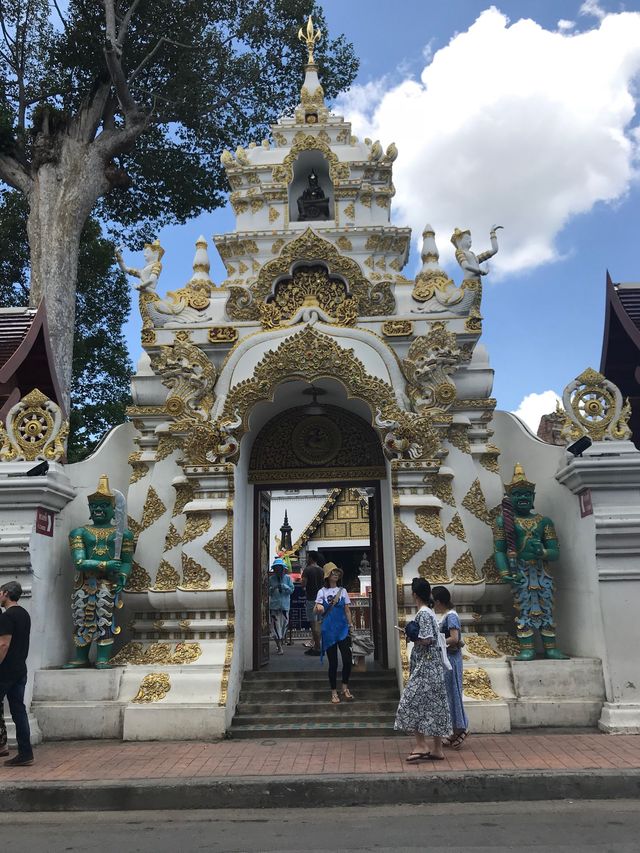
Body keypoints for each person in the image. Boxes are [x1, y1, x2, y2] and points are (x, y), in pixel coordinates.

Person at [64, 475, 134, 669]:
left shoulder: (124, 535)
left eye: (103, 506)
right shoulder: (79, 533)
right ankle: (81, 657)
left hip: (108, 584)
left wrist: (122, 575)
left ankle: (103, 657)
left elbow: (127, 562)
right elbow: (79, 561)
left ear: (113, 510)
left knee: (105, 620)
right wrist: (106, 565)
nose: (98, 510)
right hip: (85, 584)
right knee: (82, 618)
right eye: (95, 507)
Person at [394, 577, 452, 762]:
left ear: (415, 595)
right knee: (435, 705)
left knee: (410, 702)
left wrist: (410, 635)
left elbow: (427, 639)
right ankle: (437, 748)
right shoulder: (430, 612)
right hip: (433, 665)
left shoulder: (424, 613)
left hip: (426, 666)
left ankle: (421, 744)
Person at [0, 581, 34, 767]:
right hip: (20, 668)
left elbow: (3, 644)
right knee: (18, 711)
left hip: (5, 670)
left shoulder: (7, 617)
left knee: (17, 710)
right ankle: (25, 752)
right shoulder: (24, 614)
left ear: (6, 593)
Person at [432, 586, 468, 749]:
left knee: (454, 693)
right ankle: (455, 729)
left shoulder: (451, 616)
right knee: (450, 694)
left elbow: (454, 638)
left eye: (434, 602)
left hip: (452, 660)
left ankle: (461, 728)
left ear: (439, 602)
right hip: (448, 659)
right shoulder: (447, 615)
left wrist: (437, 642)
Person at [314, 566, 354, 704]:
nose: (336, 574)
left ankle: (344, 686)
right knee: (333, 663)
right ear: (327, 575)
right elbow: (316, 608)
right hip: (329, 630)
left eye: (337, 572)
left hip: (342, 629)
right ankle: (333, 691)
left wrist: (350, 626)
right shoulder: (322, 592)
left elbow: (347, 610)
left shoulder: (342, 591)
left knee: (347, 659)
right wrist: (318, 608)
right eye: (333, 572)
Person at [268, 558, 294, 655]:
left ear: (283, 569)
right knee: (275, 627)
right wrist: (273, 588)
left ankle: (280, 641)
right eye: (276, 568)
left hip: (284, 606)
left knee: (283, 626)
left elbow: (291, 590)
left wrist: (284, 586)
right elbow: (268, 592)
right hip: (274, 606)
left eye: (280, 568)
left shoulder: (287, 578)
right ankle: (279, 647)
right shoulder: (271, 579)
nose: (278, 570)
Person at [301, 551, 325, 656]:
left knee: (313, 624)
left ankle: (317, 647)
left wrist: (304, 585)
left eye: (307, 557)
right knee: (319, 623)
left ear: (310, 558)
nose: (306, 559)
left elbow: (303, 584)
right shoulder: (321, 570)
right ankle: (317, 646)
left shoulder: (307, 570)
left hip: (311, 599)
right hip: (321, 599)